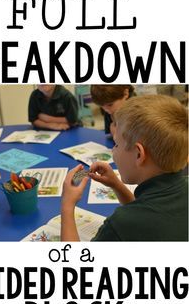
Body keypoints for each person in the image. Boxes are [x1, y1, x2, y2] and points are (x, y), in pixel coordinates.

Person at [61, 95, 188, 241]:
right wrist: (116, 185)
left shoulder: (121, 224)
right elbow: (147, 211)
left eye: (116, 145)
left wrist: (67, 205)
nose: (113, 151)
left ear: (139, 154)